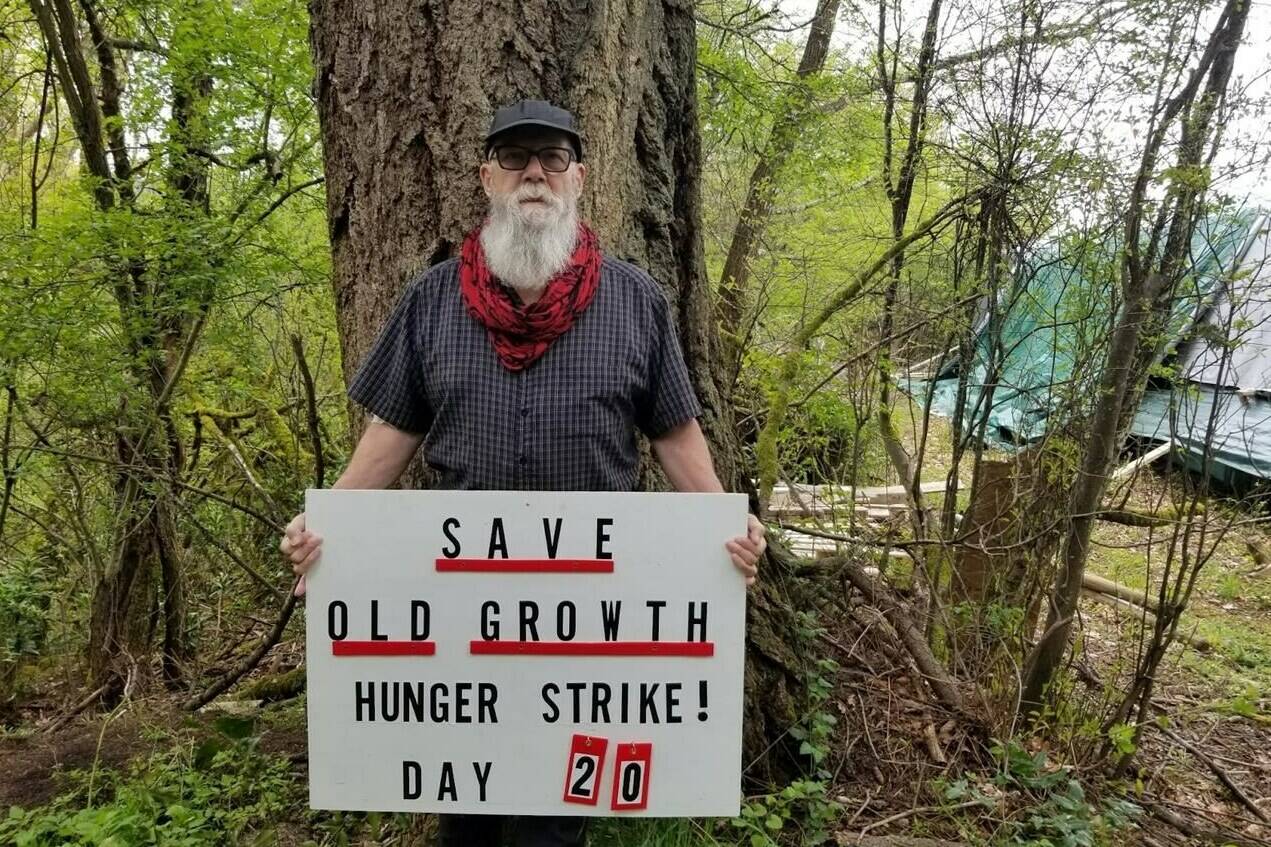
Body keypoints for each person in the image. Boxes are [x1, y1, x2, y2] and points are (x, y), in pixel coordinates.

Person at [281, 98, 765, 847]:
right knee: (465, 819)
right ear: (487, 178)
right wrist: (330, 526)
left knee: (552, 824)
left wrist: (723, 531)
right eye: (515, 159)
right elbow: (393, 431)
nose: (533, 172)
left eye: (551, 158)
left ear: (578, 177)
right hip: (459, 617)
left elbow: (674, 431)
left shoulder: (636, 301)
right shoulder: (431, 302)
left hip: (590, 622)